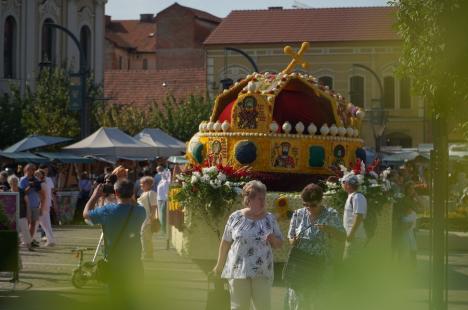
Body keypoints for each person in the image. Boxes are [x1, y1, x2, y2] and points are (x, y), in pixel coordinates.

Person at [213, 180, 283, 310]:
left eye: (264, 198)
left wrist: (273, 239)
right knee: (238, 307)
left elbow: (279, 244)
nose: (263, 202)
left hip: (262, 271)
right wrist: (219, 265)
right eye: (259, 199)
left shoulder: (270, 219)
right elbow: (225, 242)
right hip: (238, 269)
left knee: (263, 306)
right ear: (248, 200)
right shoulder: (235, 217)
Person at [83, 179, 146, 309]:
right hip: (134, 261)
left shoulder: (107, 210)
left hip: (114, 263)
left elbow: (86, 214)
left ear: (116, 193)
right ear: (133, 193)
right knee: (134, 300)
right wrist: (129, 193)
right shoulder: (140, 211)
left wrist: (95, 196)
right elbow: (133, 204)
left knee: (116, 301)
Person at [285, 183, 345, 310]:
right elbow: (290, 238)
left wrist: (329, 230)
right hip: (301, 263)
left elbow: (342, 237)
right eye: (305, 204)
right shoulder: (298, 214)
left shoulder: (331, 214)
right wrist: (293, 240)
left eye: (313, 205)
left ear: (321, 201)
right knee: (299, 299)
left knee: (318, 299)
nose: (309, 208)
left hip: (321, 264)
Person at [341, 174, 367, 259]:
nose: (342, 185)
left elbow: (358, 216)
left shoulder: (357, 197)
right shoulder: (352, 196)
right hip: (352, 237)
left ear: (347, 184)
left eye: (342, 182)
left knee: (351, 264)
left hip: (355, 238)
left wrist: (351, 235)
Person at [8, 175, 34, 251]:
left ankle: (29, 245)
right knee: (13, 231)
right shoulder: (8, 192)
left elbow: (27, 203)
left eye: (16, 181)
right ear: (10, 183)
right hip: (12, 215)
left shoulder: (21, 191)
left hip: (22, 214)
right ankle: (14, 246)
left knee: (25, 230)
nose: (14, 183)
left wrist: (28, 214)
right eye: (12, 182)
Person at [19, 164, 42, 247]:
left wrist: (36, 185)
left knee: (33, 223)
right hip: (26, 205)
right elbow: (22, 193)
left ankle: (30, 240)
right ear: (26, 170)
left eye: (33, 169)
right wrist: (29, 186)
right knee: (25, 224)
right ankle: (24, 240)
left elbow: (40, 191)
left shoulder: (36, 179)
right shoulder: (22, 180)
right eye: (30, 169)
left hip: (35, 204)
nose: (31, 171)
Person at [138, 176, 158, 259]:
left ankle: (148, 255)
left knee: (146, 237)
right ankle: (147, 254)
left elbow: (154, 207)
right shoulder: (143, 193)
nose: (140, 185)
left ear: (147, 184)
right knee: (144, 237)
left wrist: (151, 219)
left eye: (142, 184)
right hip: (143, 219)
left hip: (148, 219)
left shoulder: (151, 193)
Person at [34, 169, 56, 246]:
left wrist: (41, 207)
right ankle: (30, 239)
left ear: (42, 176)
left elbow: (43, 197)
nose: (36, 175)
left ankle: (51, 241)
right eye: (36, 173)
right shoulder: (41, 183)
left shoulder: (41, 184)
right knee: (40, 224)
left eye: (38, 174)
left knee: (44, 224)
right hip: (43, 206)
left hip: (42, 207)